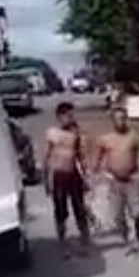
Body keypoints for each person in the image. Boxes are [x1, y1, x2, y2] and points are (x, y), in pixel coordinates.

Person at [94, 104, 139, 254]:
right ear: (113, 121)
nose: (120, 122)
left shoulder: (134, 136)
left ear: (126, 119)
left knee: (137, 213)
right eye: (117, 119)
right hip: (115, 181)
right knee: (117, 216)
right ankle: (126, 236)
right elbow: (98, 157)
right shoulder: (106, 139)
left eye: (123, 119)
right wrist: (95, 174)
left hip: (133, 179)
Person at [44, 101, 91, 255]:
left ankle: (85, 238)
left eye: (72, 115)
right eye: (67, 116)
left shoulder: (76, 134)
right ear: (59, 117)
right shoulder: (52, 133)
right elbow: (47, 155)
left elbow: (81, 156)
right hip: (59, 174)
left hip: (74, 175)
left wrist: (85, 177)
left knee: (79, 206)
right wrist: (46, 178)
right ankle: (62, 241)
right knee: (60, 209)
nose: (70, 118)